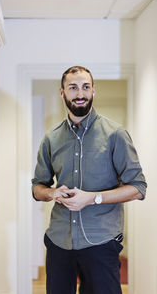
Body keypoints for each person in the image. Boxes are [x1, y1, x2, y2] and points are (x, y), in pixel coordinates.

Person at [31, 66, 147, 294]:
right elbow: (37, 187)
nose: (80, 93)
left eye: (85, 87)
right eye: (73, 87)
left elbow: (138, 187)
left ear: (94, 90)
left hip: (101, 243)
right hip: (59, 242)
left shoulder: (115, 134)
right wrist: (51, 193)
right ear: (62, 92)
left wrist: (93, 198)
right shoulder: (51, 138)